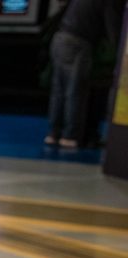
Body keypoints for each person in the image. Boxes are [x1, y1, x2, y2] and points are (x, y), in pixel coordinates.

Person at [45, 0, 125, 149]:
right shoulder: (109, 2)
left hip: (59, 39)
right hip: (78, 42)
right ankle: (70, 136)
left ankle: (54, 134)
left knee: (59, 91)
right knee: (76, 92)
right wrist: (121, 54)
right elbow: (113, 28)